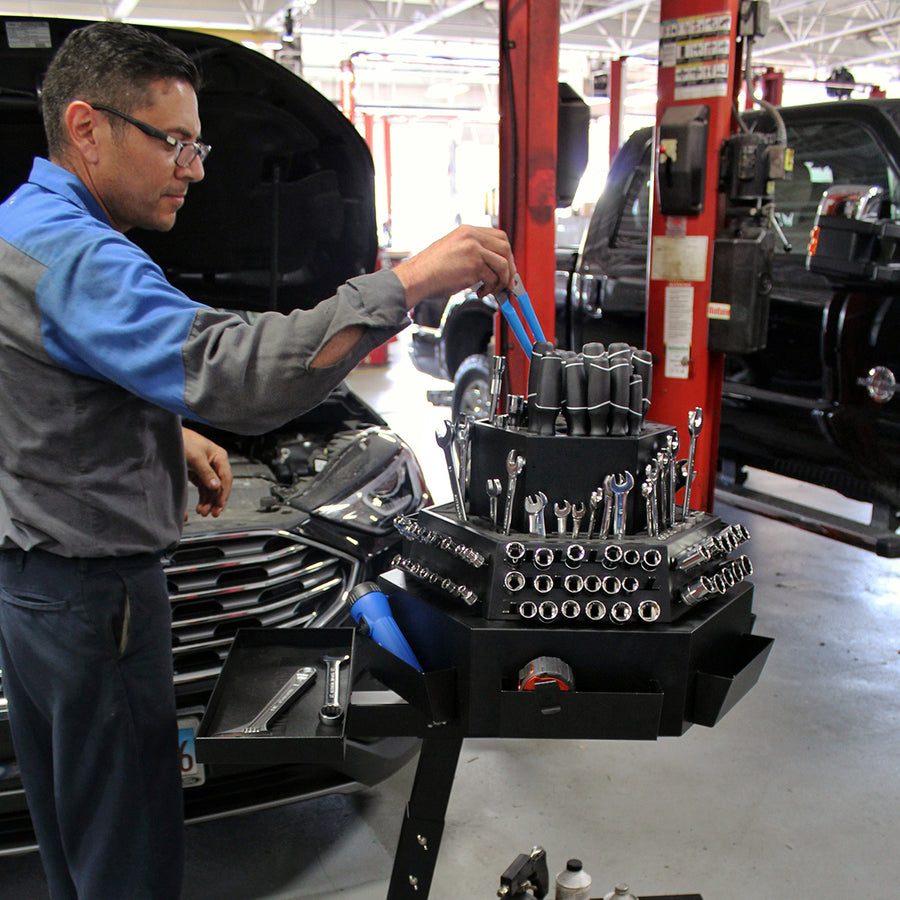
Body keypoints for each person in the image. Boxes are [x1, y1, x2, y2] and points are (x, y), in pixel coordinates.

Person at [0, 20, 516, 900]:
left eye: (198, 145)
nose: (196, 169)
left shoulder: (21, 222)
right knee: (127, 862)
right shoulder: (81, 257)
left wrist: (162, 431)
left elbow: (39, 382)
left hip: (33, 594)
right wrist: (412, 281)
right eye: (176, 143)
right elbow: (241, 377)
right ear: (86, 128)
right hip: (99, 607)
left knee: (77, 843)